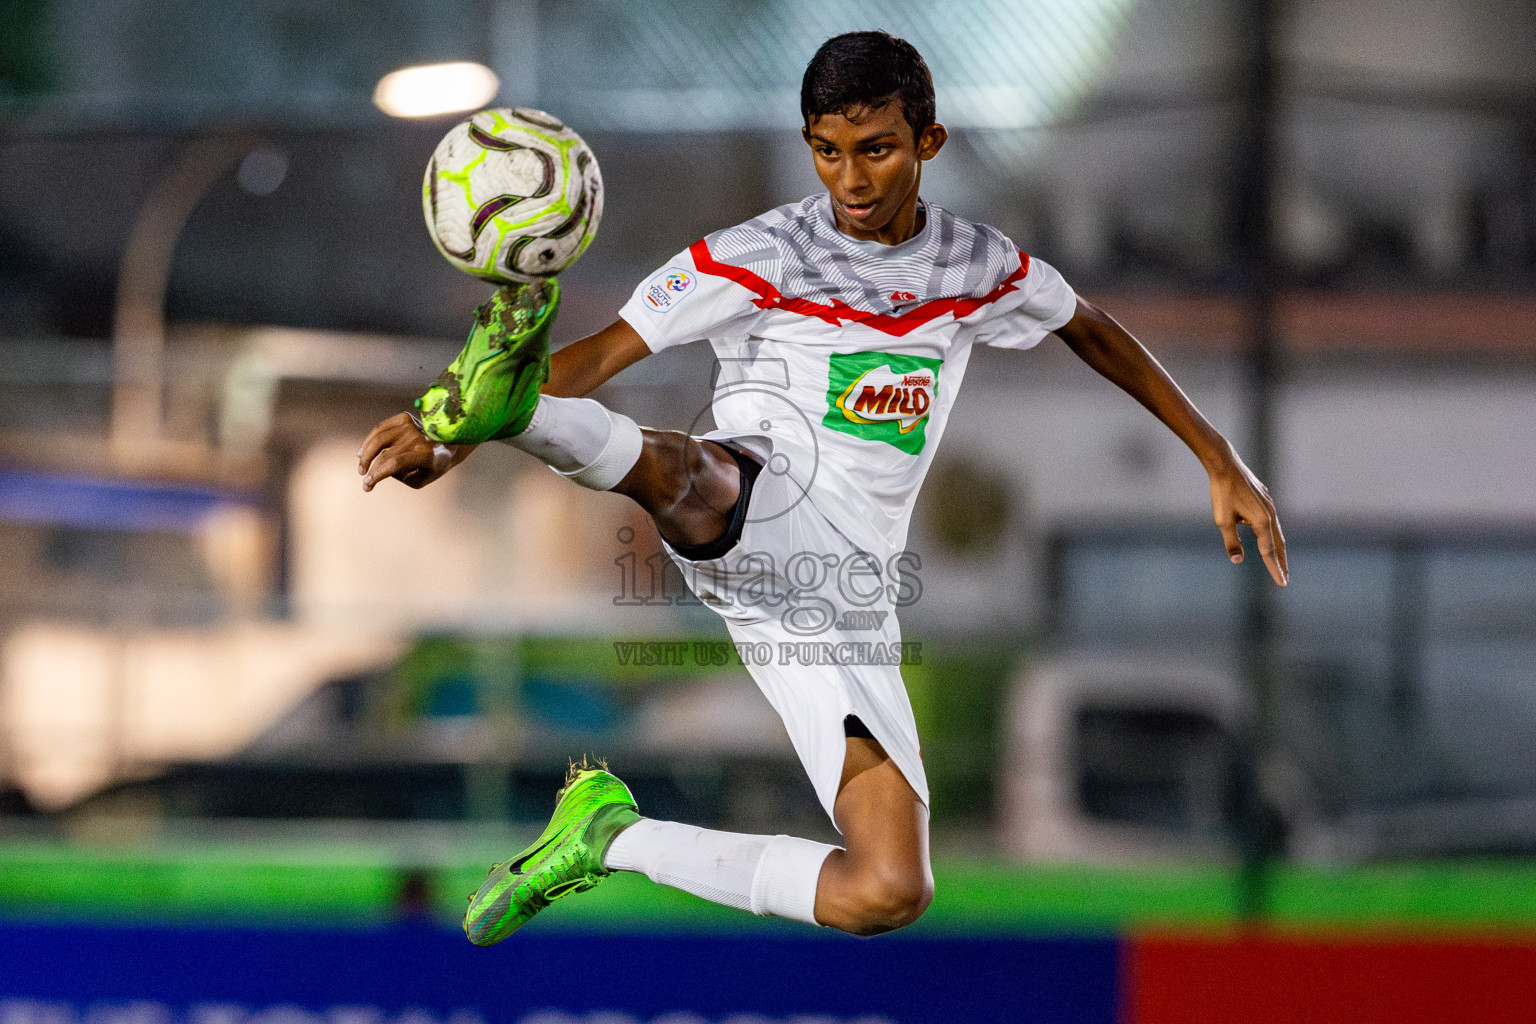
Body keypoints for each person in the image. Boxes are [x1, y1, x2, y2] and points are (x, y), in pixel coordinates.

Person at [357, 30, 1288, 942]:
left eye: (876, 150)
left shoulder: (977, 266)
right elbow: (600, 354)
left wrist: (1219, 456)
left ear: (929, 143)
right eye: (828, 151)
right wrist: (450, 435)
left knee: (886, 889)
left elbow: (1087, 325)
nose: (850, 178)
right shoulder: (756, 253)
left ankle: (610, 835)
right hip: (754, 497)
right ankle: (509, 411)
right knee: (695, 473)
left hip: (841, 603)